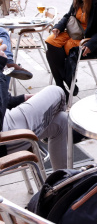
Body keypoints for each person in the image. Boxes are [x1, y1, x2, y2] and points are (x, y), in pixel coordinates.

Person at [0, 42, 68, 171]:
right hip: (5, 139)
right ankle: (69, 132)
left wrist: (22, 98)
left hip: (7, 124)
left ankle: (62, 182)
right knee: (56, 91)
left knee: (61, 120)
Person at [45, 0, 97, 102]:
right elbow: (68, 16)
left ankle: (63, 83)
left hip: (88, 39)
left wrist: (91, 43)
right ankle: (64, 82)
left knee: (57, 52)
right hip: (74, 33)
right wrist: (58, 26)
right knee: (50, 42)